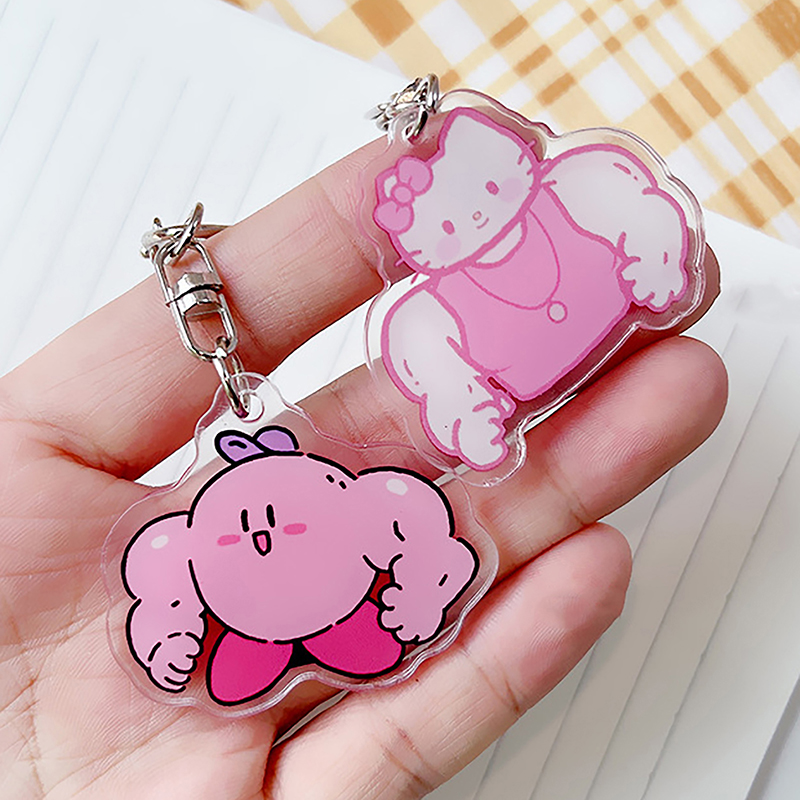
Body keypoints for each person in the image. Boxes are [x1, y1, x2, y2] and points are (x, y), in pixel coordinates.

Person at [0, 140, 726, 798]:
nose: (263, 532)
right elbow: (160, 567)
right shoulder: (197, 538)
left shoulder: (373, 493)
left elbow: (427, 538)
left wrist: (421, 591)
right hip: (272, 640)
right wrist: (168, 629)